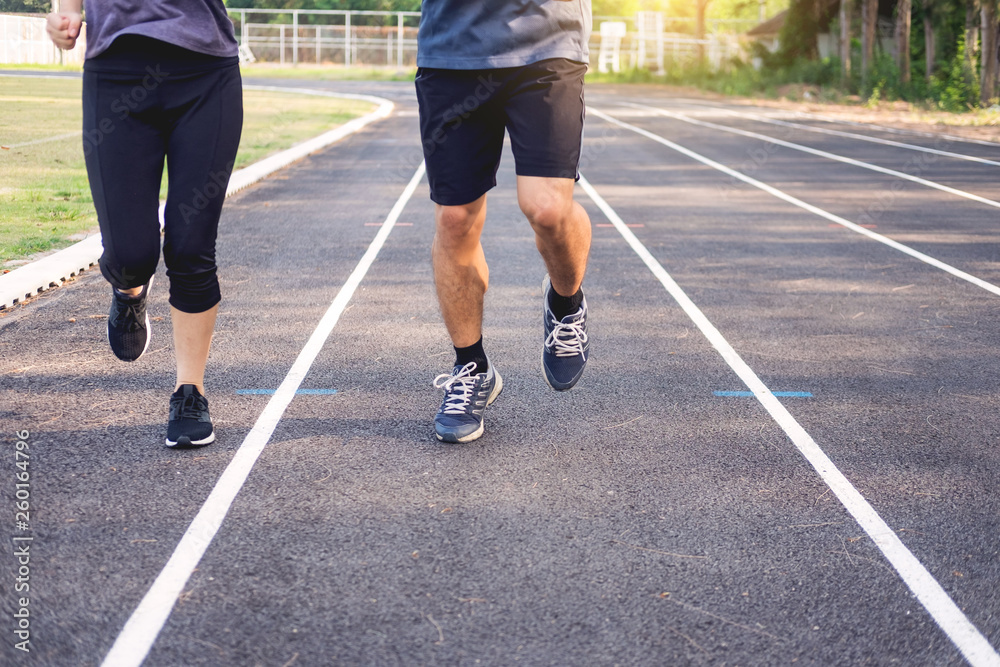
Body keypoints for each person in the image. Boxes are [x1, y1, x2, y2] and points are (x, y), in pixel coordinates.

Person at [46, 0, 242, 447]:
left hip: (206, 73)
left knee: (191, 246)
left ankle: (189, 392)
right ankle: (129, 289)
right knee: (131, 255)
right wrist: (64, 10)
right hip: (116, 72)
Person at [417, 1, 594, 443]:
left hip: (548, 42)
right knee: (455, 219)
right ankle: (471, 368)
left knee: (548, 208)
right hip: (452, 50)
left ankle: (566, 304)